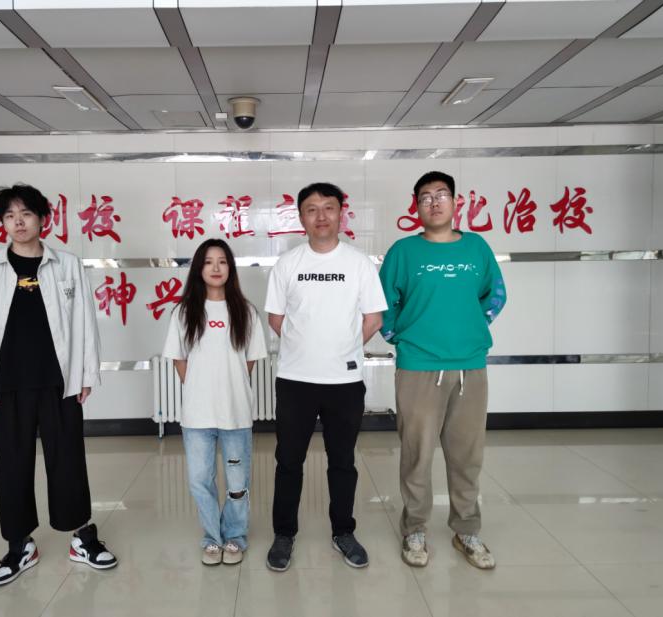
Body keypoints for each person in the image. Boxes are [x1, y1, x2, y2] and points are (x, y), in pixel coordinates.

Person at [0, 183, 117, 587]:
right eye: (9, 216)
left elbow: (85, 321)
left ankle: (82, 537)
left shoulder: (66, 265)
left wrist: (86, 374)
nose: (18, 222)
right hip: (6, 385)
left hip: (58, 383)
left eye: (26, 214)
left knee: (68, 461)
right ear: (2, 223)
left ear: (42, 218)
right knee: (12, 466)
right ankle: (19, 546)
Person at [379, 171, 506, 570]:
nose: (434, 202)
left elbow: (495, 293)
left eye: (441, 195)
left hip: (470, 365)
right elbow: (382, 303)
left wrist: (473, 325)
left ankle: (466, 528)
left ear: (455, 202)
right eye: (425, 197)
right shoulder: (404, 252)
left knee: (467, 454)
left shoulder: (476, 247)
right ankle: (415, 528)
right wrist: (400, 337)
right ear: (415, 206)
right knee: (417, 453)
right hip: (418, 366)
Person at [264, 182, 388, 571]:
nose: (321, 216)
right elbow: (276, 318)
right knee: (288, 460)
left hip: (344, 383)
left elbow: (373, 319)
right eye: (312, 209)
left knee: (343, 462)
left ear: (340, 214)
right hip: (295, 381)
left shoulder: (358, 264)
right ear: (301, 217)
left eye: (329, 208)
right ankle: (284, 534)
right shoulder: (288, 264)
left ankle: (343, 531)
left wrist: (341, 348)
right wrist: (307, 348)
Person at [162, 239, 268, 565]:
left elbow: (249, 360)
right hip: (197, 416)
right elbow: (179, 358)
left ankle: (235, 536)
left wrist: (230, 386)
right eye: (208, 262)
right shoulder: (184, 312)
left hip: (236, 414)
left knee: (237, 483)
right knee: (199, 481)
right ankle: (212, 538)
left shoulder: (246, 312)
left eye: (222, 261)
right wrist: (199, 387)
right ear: (199, 269)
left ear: (230, 268)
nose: (216, 268)